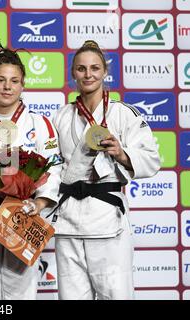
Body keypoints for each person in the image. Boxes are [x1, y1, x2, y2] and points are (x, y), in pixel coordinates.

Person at [52, 40, 161, 300]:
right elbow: (52, 166)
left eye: (94, 68)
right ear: (72, 73)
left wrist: (122, 154)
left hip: (106, 218)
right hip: (67, 221)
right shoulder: (61, 116)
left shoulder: (122, 113)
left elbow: (152, 159)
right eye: (81, 69)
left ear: (105, 72)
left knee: (116, 295)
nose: (88, 74)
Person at [0, 44, 62, 300]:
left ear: (23, 85)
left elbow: (55, 169)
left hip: (22, 219)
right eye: (1, 80)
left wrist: (39, 203)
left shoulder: (40, 124)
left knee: (21, 295)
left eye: (14, 81)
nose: (7, 87)